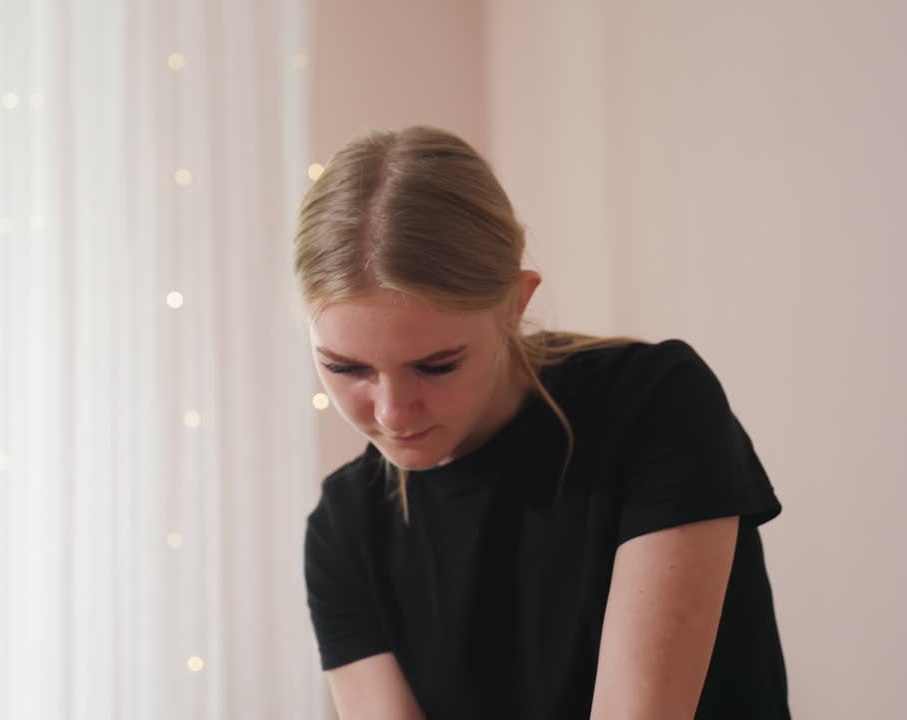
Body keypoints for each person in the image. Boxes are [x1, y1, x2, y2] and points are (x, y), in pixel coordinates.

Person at [294, 125, 789, 719]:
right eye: (346, 368)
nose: (392, 412)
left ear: (516, 304)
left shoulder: (654, 406)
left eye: (436, 366)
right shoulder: (344, 524)